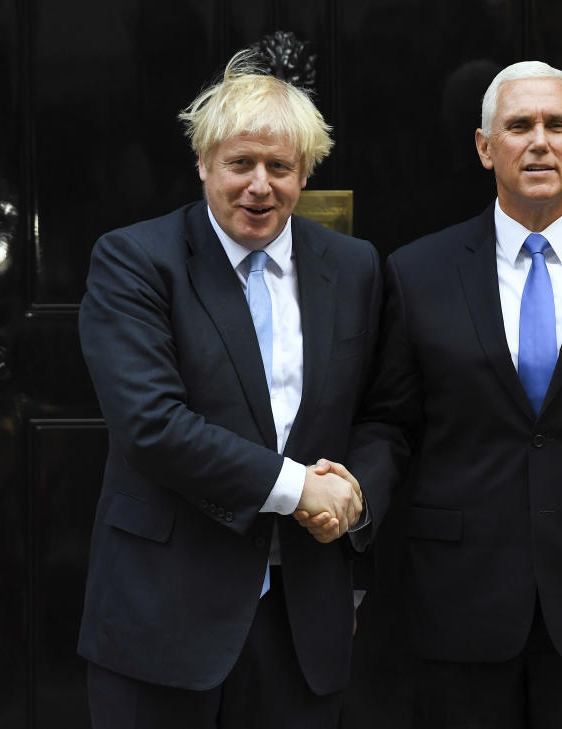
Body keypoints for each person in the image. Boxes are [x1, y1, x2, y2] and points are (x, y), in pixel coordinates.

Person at [303, 60, 562, 728]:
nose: (538, 141)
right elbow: (391, 424)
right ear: (484, 146)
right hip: (454, 609)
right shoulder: (418, 272)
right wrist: (354, 502)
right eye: (519, 125)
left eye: (557, 125)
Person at [77, 50, 380, 729]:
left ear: (304, 171)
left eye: (279, 166)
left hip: (303, 623)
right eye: (240, 164)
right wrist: (302, 487)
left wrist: (355, 493)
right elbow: (152, 424)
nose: (259, 185)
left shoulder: (354, 267)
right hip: (163, 618)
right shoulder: (135, 260)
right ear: (205, 164)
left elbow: (383, 413)